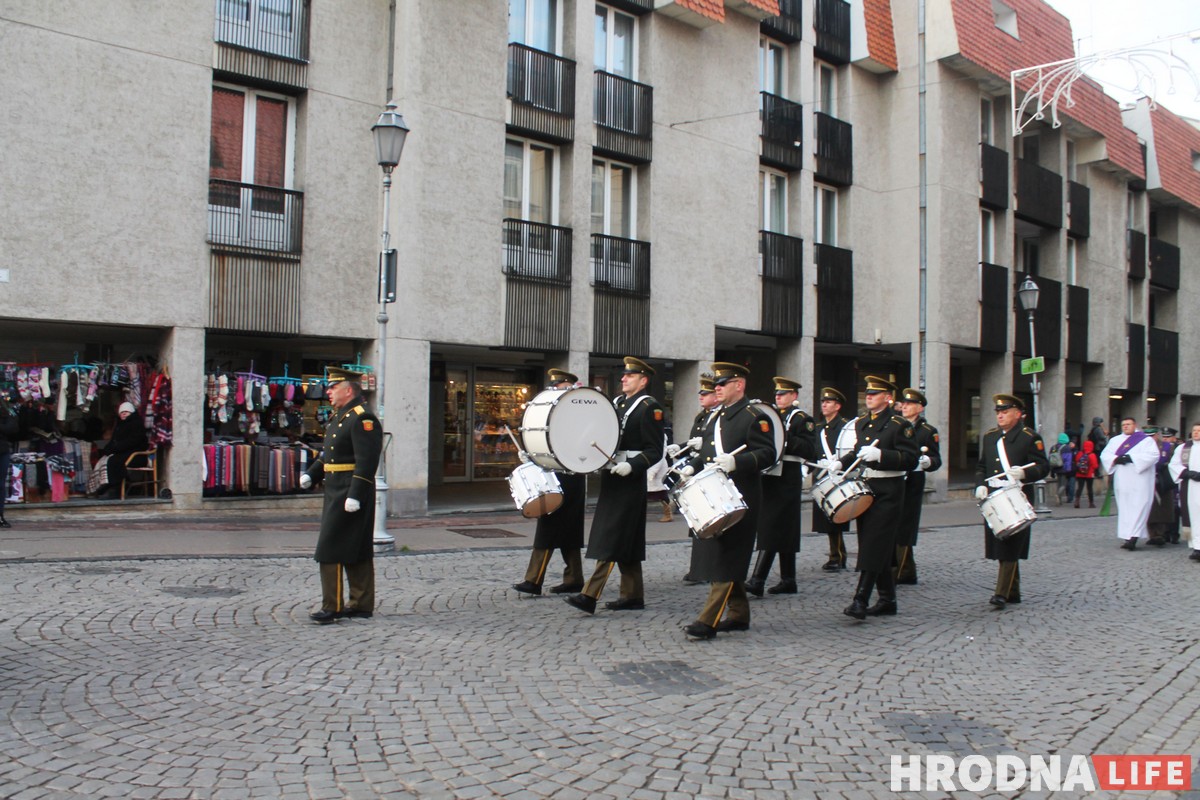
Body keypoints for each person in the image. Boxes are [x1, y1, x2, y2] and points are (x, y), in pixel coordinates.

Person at [679, 362, 776, 639]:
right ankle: (738, 614)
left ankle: (707, 621)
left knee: (729, 555)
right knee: (723, 552)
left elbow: (768, 454)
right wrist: (691, 467)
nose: (717, 388)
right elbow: (706, 453)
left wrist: (737, 462)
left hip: (741, 495)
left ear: (739, 385)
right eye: (716, 385)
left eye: (722, 384)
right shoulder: (717, 417)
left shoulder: (754, 417)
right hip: (717, 494)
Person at [564, 357, 664, 615]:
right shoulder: (617, 403)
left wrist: (633, 465)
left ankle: (589, 595)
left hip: (630, 480)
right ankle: (632, 596)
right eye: (624, 375)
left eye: (630, 376)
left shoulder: (649, 407)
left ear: (643, 380)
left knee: (613, 535)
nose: (623, 379)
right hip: (612, 477)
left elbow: (655, 450)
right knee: (627, 539)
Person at [815, 376, 918, 620]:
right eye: (867, 393)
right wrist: (840, 463)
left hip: (889, 490)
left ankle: (860, 600)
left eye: (874, 394)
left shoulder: (899, 425)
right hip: (867, 488)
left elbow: (910, 458)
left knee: (873, 543)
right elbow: (857, 452)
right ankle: (887, 599)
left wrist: (882, 455)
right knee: (874, 544)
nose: (869, 397)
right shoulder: (862, 423)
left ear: (888, 398)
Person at [300, 367, 384, 624]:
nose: (328, 392)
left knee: (330, 546)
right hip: (336, 489)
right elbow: (329, 454)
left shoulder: (362, 418)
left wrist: (355, 494)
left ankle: (332, 606)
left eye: (333, 387)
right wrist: (312, 474)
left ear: (348, 390)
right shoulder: (342, 416)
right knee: (355, 546)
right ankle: (361, 604)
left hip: (349, 491)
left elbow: (367, 461)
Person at [513, 369, 586, 597]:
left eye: (560, 388)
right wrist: (531, 455)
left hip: (570, 475)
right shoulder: (553, 413)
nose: (556, 392)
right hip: (555, 473)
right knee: (567, 531)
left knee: (550, 527)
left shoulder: (578, 415)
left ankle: (533, 580)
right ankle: (574, 579)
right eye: (555, 388)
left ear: (570, 388)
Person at [974, 394, 1050, 608]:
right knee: (1001, 541)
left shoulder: (1029, 437)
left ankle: (1001, 593)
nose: (1000, 416)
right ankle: (1013, 591)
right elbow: (982, 466)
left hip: (1017, 495)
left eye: (1005, 412)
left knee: (1010, 544)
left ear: (1018, 414)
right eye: (998, 412)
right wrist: (980, 484)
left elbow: (1043, 466)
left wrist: (1024, 474)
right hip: (994, 496)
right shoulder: (990, 437)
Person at [746, 376, 816, 597]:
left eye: (783, 394)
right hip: (770, 475)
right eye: (777, 394)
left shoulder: (802, 419)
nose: (778, 397)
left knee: (772, 525)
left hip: (788, 476)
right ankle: (788, 579)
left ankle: (757, 579)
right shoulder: (771, 416)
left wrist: (785, 439)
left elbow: (810, 449)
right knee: (784, 527)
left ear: (794, 396)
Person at [674, 373, 720, 584]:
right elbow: (696, 442)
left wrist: (694, 462)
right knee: (697, 522)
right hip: (697, 471)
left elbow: (710, 447)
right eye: (701, 393)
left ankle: (708, 569)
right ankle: (698, 568)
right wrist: (680, 448)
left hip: (712, 472)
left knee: (711, 522)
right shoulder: (702, 417)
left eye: (706, 393)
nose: (701, 396)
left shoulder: (718, 417)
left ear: (716, 396)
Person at [894, 388, 941, 585]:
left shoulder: (928, 431)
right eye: (904, 403)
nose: (905, 406)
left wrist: (927, 462)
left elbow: (936, 459)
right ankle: (906, 570)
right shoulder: (896, 425)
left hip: (913, 481)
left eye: (910, 404)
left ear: (920, 408)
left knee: (906, 524)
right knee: (894, 522)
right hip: (895, 478)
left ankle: (901, 570)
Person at [1099, 417, 1160, 551]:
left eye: (1128, 424)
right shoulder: (1115, 440)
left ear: (1135, 425)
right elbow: (1105, 455)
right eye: (1123, 425)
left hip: (1140, 479)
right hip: (1122, 479)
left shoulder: (1146, 440)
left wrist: (1132, 458)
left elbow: (1154, 455)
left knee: (1139, 505)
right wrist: (1115, 459)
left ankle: (1134, 536)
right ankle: (1127, 536)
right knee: (1125, 507)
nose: (1125, 426)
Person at [812, 387, 852, 571]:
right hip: (822, 475)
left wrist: (840, 462)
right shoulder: (819, 427)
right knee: (827, 517)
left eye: (828, 402)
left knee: (837, 516)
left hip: (838, 475)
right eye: (823, 402)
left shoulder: (845, 426)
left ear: (837, 406)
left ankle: (838, 555)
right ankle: (835, 553)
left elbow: (851, 449)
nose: (824, 405)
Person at [94, 401, 149, 499]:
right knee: (105, 459)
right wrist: (108, 449)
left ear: (131, 413)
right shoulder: (120, 425)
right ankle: (107, 484)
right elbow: (114, 441)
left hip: (137, 455)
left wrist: (116, 448)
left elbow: (133, 441)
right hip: (124, 453)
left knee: (114, 461)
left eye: (126, 412)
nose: (123, 414)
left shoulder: (136, 424)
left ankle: (116, 488)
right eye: (121, 412)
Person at [1168, 423, 1200, 560]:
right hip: (1190, 486)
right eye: (1194, 430)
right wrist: (1186, 473)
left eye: (1199, 430)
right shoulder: (1183, 448)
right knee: (1193, 516)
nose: (1196, 433)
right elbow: (1173, 464)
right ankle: (1196, 547)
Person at [1146, 427, 1176, 546]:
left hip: (1163, 480)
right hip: (1147, 480)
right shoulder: (1142, 446)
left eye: (1152, 436)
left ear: (1156, 435)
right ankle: (1152, 534)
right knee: (1149, 509)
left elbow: (1174, 461)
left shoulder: (1167, 447)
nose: (1150, 438)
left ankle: (1161, 534)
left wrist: (1166, 465)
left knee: (1163, 507)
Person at [0, 395, 17, 527]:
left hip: (2, 451)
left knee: (1, 485)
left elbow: (12, 428)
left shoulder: (5, 412)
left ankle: (0, 515)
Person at [1050, 433, 1076, 504]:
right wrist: (1068, 470)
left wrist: (1052, 470)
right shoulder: (1066, 448)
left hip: (1055, 468)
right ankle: (1058, 495)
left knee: (1059, 483)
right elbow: (1068, 460)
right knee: (1063, 484)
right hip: (1063, 468)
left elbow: (1050, 459)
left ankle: (1059, 501)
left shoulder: (1053, 447)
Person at [1074, 440, 1099, 508]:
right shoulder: (1092, 455)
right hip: (1089, 474)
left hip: (1080, 474)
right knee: (1089, 488)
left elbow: (1076, 461)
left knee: (1080, 488)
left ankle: (1077, 501)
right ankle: (1091, 503)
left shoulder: (1079, 453)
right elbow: (1095, 466)